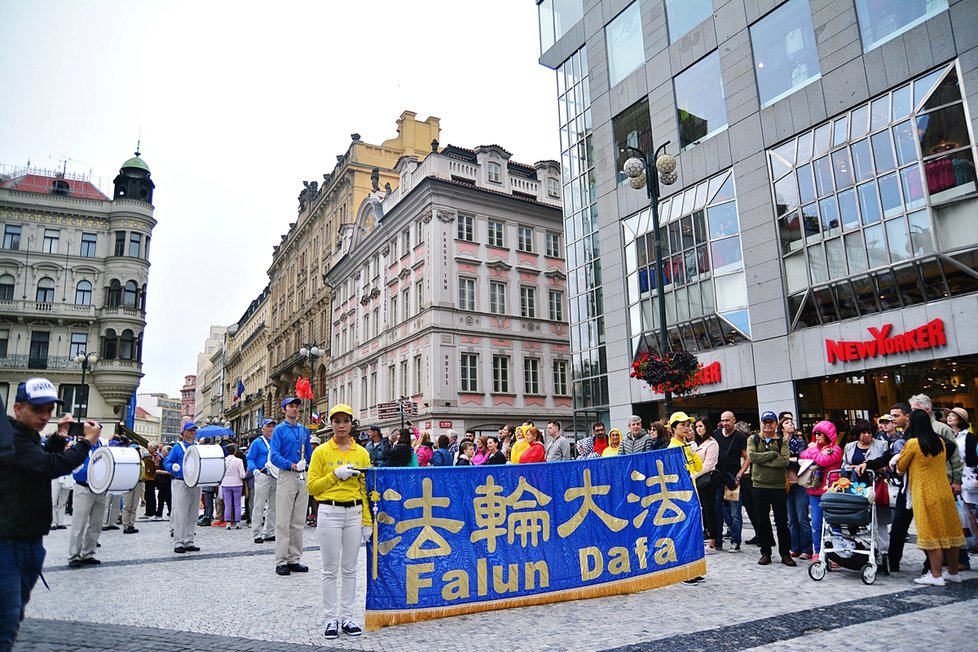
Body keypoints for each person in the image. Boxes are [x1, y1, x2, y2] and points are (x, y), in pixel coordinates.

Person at [0, 378, 102, 650]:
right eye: (37, 410)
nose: (44, 417)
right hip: (7, 544)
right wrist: (85, 444)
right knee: (5, 623)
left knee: (13, 614)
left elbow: (39, 457)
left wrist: (58, 438)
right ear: (18, 408)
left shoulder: (26, 437)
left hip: (28, 541)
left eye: (48, 410)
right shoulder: (11, 438)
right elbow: (48, 465)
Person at [307, 403, 370, 639]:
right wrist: (335, 475)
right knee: (330, 569)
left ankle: (347, 617)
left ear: (351, 423)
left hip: (353, 513)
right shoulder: (321, 452)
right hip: (329, 511)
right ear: (331, 424)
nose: (341, 425)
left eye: (345, 421)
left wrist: (367, 521)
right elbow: (312, 487)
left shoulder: (361, 453)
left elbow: (365, 488)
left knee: (350, 568)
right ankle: (330, 618)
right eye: (337, 421)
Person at [897, 410, 966, 585]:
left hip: (925, 493)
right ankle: (952, 571)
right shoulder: (940, 442)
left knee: (932, 533)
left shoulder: (913, 443)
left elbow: (900, 467)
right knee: (950, 532)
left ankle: (936, 575)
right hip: (944, 491)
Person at [270, 397, 313, 576]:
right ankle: (281, 560)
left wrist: (308, 463)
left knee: (298, 520)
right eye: (291, 407)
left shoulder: (304, 430)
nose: (294, 409)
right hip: (287, 475)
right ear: (284, 410)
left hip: (303, 476)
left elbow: (310, 453)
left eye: (296, 407)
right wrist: (292, 465)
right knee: (283, 520)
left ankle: (294, 558)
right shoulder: (279, 430)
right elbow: (274, 456)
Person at [747, 411, 794, 567]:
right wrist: (773, 454)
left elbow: (784, 461)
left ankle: (785, 553)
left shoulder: (782, 441)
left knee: (782, 521)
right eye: (765, 421)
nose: (768, 424)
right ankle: (765, 552)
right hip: (759, 486)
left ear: (776, 424)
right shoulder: (753, 439)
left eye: (771, 422)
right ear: (761, 423)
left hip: (778, 486)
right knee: (762, 521)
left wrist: (763, 460)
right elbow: (752, 457)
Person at [845, 419, 893, 570]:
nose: (867, 436)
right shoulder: (850, 447)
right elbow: (845, 465)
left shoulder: (881, 445)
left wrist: (874, 468)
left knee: (879, 520)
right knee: (858, 518)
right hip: (856, 486)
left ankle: (884, 552)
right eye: (863, 433)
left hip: (876, 485)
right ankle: (861, 548)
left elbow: (887, 464)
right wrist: (855, 467)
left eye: (869, 433)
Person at [799, 420, 843, 561]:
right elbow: (802, 456)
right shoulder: (817, 449)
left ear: (827, 434)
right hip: (815, 491)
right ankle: (817, 551)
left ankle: (838, 553)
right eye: (815, 433)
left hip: (831, 491)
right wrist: (816, 450)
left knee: (833, 524)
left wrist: (813, 450)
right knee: (816, 524)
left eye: (820, 433)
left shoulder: (836, 449)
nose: (817, 436)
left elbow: (823, 461)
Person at [164, 422, 202, 554]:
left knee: (193, 513)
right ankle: (178, 542)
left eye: (194, 430)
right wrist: (175, 469)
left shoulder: (197, 447)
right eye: (190, 430)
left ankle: (189, 541)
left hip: (195, 483)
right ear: (183, 432)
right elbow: (167, 462)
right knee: (180, 513)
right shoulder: (177, 447)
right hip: (181, 481)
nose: (193, 432)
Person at [714, 411, 749, 553]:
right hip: (718, 477)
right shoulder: (716, 434)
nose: (725, 423)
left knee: (735, 512)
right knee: (719, 509)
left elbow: (747, 458)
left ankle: (735, 540)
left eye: (727, 420)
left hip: (732, 478)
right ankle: (719, 538)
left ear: (734, 420)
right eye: (723, 420)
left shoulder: (740, 437)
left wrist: (740, 474)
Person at [782, 415, 813, 559]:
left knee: (802, 517)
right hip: (785, 483)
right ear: (781, 428)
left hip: (799, 482)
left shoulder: (799, 442)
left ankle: (807, 548)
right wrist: (788, 460)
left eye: (791, 422)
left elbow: (802, 459)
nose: (791, 425)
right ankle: (795, 547)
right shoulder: (779, 442)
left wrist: (787, 460)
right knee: (791, 518)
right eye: (787, 423)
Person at [246, 419, 277, 544]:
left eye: (272, 427)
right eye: (268, 426)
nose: (271, 429)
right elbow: (250, 458)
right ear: (263, 428)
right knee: (258, 505)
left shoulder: (277, 442)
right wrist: (254, 470)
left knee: (273, 507)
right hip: (262, 475)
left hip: (275, 475)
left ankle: (269, 531)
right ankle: (257, 533)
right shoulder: (258, 442)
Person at [693, 418, 719, 552]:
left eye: (701, 426)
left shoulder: (712, 443)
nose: (698, 429)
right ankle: (706, 534)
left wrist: (694, 475)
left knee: (710, 509)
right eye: (696, 426)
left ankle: (713, 540)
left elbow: (708, 465)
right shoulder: (697, 443)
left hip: (708, 478)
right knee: (703, 508)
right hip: (698, 480)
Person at [221, 443, 246, 529]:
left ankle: (228, 522)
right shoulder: (239, 461)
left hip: (226, 483)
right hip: (237, 483)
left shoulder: (223, 460)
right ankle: (237, 522)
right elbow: (242, 475)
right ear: (235, 451)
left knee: (227, 503)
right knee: (237, 503)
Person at [154, 444, 172, 520]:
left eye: (164, 451)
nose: (162, 452)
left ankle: (169, 512)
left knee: (167, 497)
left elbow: (171, 472)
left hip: (167, 481)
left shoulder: (169, 460)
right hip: (163, 481)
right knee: (161, 497)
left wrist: (160, 472)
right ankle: (160, 512)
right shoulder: (163, 459)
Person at [142, 442, 158, 518]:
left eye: (149, 448)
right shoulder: (151, 456)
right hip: (150, 477)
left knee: (150, 494)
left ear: (153, 448)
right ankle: (150, 510)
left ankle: (150, 511)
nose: (148, 449)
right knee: (149, 495)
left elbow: (154, 467)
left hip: (151, 478)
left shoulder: (155, 457)